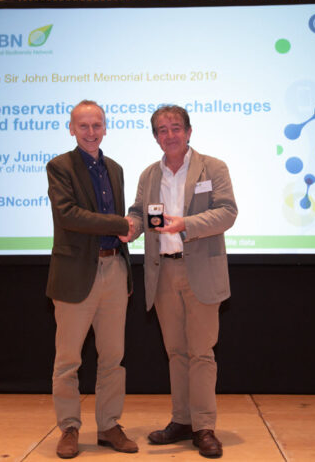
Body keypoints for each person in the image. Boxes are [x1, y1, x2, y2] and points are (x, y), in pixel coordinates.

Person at [124, 105, 237, 458]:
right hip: (162, 273)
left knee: (201, 353)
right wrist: (129, 225)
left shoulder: (213, 167)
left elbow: (227, 212)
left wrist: (185, 223)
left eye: (175, 127)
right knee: (176, 353)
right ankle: (182, 420)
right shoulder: (149, 175)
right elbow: (139, 212)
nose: (169, 134)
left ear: (189, 131)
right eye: (161, 129)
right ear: (155, 136)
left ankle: (204, 427)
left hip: (200, 270)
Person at [45, 100, 138, 459]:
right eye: (83, 126)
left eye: (96, 125)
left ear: (105, 127)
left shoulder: (114, 168)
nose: (91, 132)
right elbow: (68, 215)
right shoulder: (59, 166)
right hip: (75, 275)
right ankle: (69, 427)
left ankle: (109, 425)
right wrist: (121, 225)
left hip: (114, 270)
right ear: (71, 129)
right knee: (68, 360)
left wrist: (131, 228)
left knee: (113, 357)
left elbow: (121, 218)